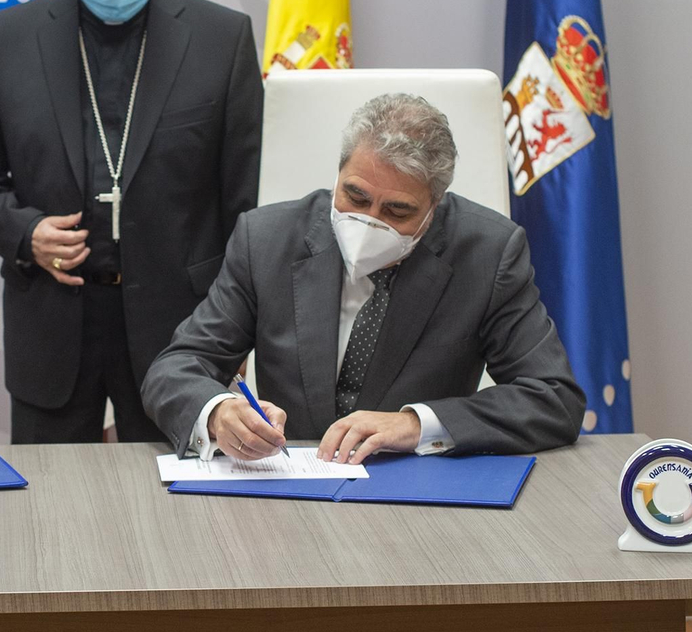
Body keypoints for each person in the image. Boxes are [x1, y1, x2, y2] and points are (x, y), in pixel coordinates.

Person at [0, 0, 262, 444]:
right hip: (53, 318)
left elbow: (243, 200)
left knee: (176, 508)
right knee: (51, 511)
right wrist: (25, 233)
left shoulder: (223, 38)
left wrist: (234, 330)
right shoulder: (12, 37)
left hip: (182, 328)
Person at [141, 92, 585, 463]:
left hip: (417, 493)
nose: (370, 220)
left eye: (397, 211)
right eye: (355, 196)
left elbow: (553, 399)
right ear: (338, 175)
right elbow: (175, 368)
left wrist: (416, 424)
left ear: (435, 204)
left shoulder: (488, 253)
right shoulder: (266, 239)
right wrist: (218, 412)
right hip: (288, 485)